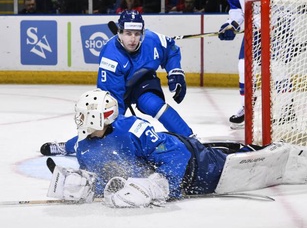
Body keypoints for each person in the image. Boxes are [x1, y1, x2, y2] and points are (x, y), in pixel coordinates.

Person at [44, 89, 307, 207]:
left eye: (82, 114)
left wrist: (158, 184)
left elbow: (177, 156)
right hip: (188, 165)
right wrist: (86, 187)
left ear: (97, 117)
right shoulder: (82, 148)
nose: (78, 119)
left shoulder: (133, 129)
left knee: (241, 160)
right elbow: (107, 180)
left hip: (198, 164)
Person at [97, 10, 193, 137]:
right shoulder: (110, 57)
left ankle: (189, 138)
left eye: (137, 34)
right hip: (117, 87)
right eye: (128, 33)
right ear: (119, 33)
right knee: (110, 122)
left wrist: (176, 72)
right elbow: (113, 99)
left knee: (153, 104)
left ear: (143, 33)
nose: (132, 39)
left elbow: (171, 50)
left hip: (142, 82)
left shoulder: (152, 40)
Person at [217, 0, 247, 129]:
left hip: (278, 25)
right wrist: (232, 25)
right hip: (256, 30)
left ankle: (286, 109)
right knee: (243, 66)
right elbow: (237, 9)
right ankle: (246, 108)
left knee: (278, 67)